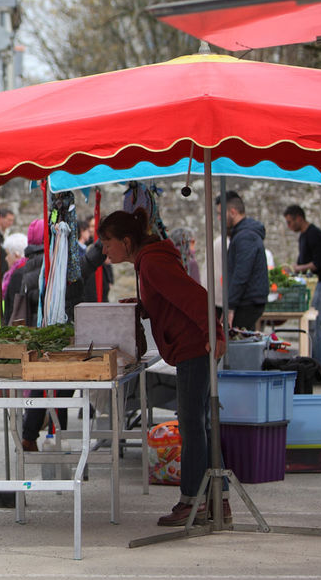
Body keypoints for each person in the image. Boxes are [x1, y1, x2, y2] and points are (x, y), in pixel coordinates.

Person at [98, 208, 228, 527]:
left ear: (127, 241)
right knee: (200, 422)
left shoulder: (153, 262)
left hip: (195, 346)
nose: (104, 250)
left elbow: (195, 297)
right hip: (192, 345)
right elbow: (173, 298)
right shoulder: (151, 260)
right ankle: (215, 500)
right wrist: (143, 306)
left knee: (193, 424)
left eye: (107, 242)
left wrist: (215, 332)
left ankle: (193, 502)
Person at [284, 205, 321, 369]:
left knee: (314, 326)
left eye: (290, 222)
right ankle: (315, 366)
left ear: (299, 218)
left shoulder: (315, 235)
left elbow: (318, 263)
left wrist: (298, 268)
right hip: (312, 284)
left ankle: (320, 369)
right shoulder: (303, 236)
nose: (289, 226)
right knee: (311, 326)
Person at [220, 195, 269, 330]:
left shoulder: (245, 236)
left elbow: (242, 273)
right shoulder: (243, 234)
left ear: (233, 212)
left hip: (247, 301)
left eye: (220, 213)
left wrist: (230, 306)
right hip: (248, 299)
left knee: (239, 343)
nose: (219, 218)